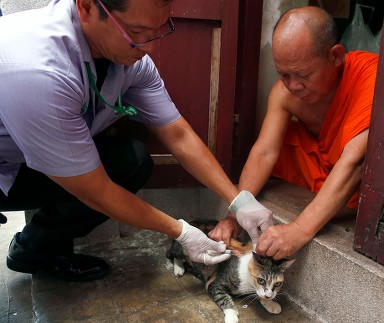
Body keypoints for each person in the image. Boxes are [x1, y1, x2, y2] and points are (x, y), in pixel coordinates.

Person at [0, 0, 273, 282]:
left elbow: (177, 133)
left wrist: (238, 201)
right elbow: (95, 190)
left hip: (28, 155)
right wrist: (179, 231)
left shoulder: (131, 61)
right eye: (136, 31)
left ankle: (33, 249)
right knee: (93, 184)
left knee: (131, 160)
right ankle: (43, 249)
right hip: (4, 171)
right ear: (86, 7)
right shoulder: (37, 69)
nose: (149, 47)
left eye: (158, 29)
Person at [209, 6, 378, 260]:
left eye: (304, 74)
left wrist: (299, 229)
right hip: (325, 169)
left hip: (353, 174)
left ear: (336, 56)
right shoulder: (284, 92)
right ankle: (327, 200)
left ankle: (332, 203)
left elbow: (356, 161)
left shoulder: (369, 75)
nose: (294, 86)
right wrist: (234, 216)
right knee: (284, 136)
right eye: (284, 75)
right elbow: (264, 153)